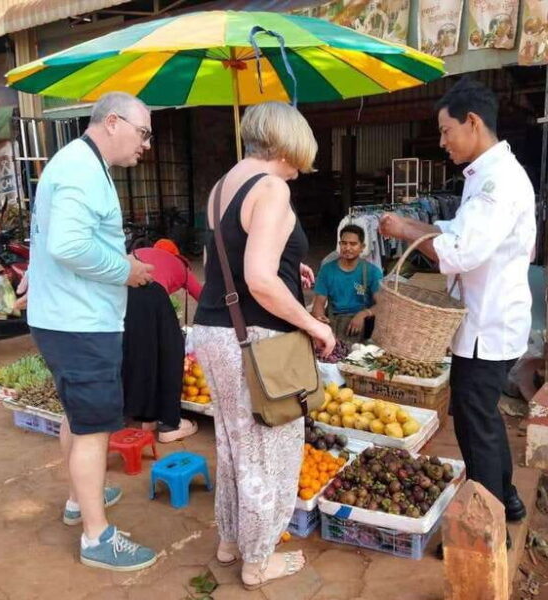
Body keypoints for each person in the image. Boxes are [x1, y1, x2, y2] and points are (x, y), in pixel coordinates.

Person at [379, 77, 536, 547]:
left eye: (447, 131)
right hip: (487, 321)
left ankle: (487, 535)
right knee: (483, 417)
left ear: (472, 123)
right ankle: (506, 499)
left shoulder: (497, 182)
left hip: (489, 325)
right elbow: (455, 230)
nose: (443, 141)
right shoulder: (485, 175)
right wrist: (417, 226)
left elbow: (460, 251)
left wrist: (408, 230)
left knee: (474, 423)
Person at [192, 101, 335, 590]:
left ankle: (231, 542)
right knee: (270, 450)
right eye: (302, 156)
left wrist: (289, 270)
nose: (300, 172)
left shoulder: (222, 186)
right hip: (255, 338)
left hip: (214, 330)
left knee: (235, 445)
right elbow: (258, 279)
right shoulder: (271, 186)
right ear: (287, 142)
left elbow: (223, 265)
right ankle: (258, 560)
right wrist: (315, 327)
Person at [26, 92, 158, 571]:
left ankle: (81, 500)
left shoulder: (77, 163)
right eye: (143, 133)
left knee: (78, 418)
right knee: (95, 427)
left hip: (64, 316)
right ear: (114, 122)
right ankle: (97, 538)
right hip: (79, 322)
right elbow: (67, 243)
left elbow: (48, 238)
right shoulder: (82, 168)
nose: (146, 145)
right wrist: (125, 269)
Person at [123, 238, 202, 443]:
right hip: (151, 293)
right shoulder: (182, 267)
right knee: (171, 354)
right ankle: (170, 424)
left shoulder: (142, 253)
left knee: (139, 353)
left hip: (123, 296)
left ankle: (145, 418)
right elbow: (201, 296)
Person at [310, 224, 383, 343]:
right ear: (339, 245)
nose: (347, 248)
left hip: (363, 328)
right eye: (344, 243)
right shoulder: (327, 270)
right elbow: (318, 303)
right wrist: (320, 322)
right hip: (334, 322)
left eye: (353, 244)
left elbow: (383, 306)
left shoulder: (372, 272)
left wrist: (363, 314)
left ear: (362, 247)